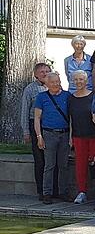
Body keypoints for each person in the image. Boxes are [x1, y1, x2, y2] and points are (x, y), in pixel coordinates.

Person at [33, 72, 71, 204]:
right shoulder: (41, 97)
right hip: (48, 134)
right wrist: (39, 136)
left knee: (63, 165)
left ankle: (63, 192)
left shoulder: (67, 96)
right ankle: (47, 193)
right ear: (47, 84)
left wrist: (71, 136)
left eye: (57, 81)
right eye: (53, 82)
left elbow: (72, 117)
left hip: (64, 134)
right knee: (49, 165)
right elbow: (37, 118)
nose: (56, 84)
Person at [21, 62, 52, 200]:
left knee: (52, 160)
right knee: (40, 160)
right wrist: (26, 131)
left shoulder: (54, 87)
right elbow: (24, 111)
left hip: (51, 126)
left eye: (47, 71)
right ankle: (41, 190)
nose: (45, 74)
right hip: (36, 125)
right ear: (35, 74)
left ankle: (52, 189)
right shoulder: (30, 89)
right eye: (42, 72)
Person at [68, 70, 95, 204]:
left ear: (86, 81)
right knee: (80, 165)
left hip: (93, 136)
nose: (79, 82)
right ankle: (82, 192)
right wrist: (70, 137)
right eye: (76, 80)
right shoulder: (71, 98)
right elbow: (69, 119)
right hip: (78, 136)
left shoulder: (94, 96)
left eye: (81, 79)